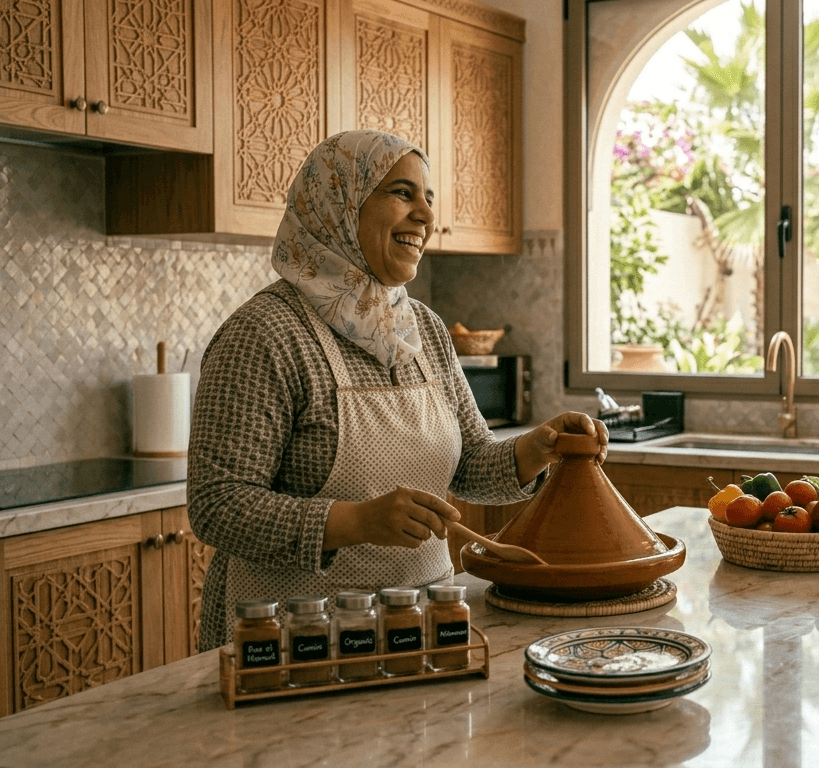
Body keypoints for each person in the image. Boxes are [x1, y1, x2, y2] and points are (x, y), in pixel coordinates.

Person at [187, 130, 606, 651]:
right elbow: (218, 505)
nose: (427, 215)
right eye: (402, 193)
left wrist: (536, 448)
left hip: (423, 627)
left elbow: (470, 464)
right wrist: (356, 521)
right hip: (293, 642)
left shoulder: (422, 328)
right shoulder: (265, 334)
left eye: (428, 197)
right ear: (340, 205)